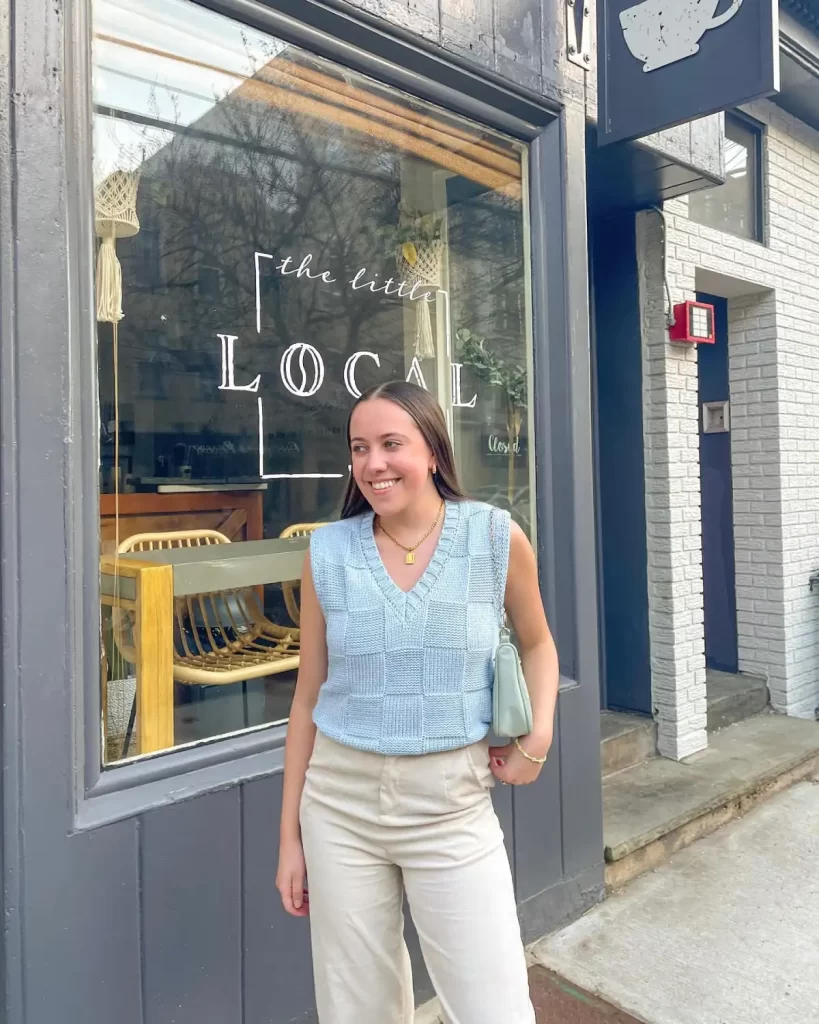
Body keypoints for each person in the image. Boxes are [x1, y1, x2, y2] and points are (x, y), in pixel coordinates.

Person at [276, 380, 559, 1024]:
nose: (373, 463)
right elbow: (306, 701)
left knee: (495, 1008)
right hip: (338, 806)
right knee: (358, 1009)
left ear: (432, 450)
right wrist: (289, 839)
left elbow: (539, 645)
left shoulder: (494, 537)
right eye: (359, 448)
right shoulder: (328, 551)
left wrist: (537, 737)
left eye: (391, 444)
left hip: (451, 804)